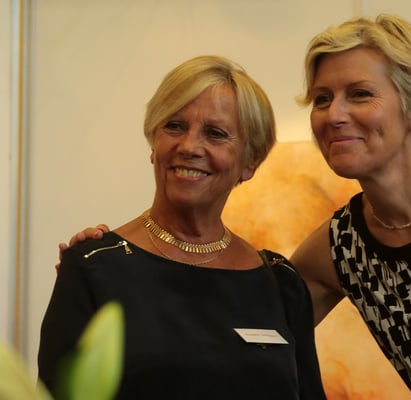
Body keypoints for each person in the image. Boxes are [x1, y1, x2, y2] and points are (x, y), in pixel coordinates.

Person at [58, 15, 411, 400]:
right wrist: (112, 264)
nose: (334, 114)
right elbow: (234, 330)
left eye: (359, 94)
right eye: (322, 98)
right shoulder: (340, 247)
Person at [39, 55, 327, 400]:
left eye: (215, 133)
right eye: (174, 126)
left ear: (250, 162)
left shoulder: (280, 283)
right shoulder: (94, 267)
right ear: (153, 144)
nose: (189, 147)